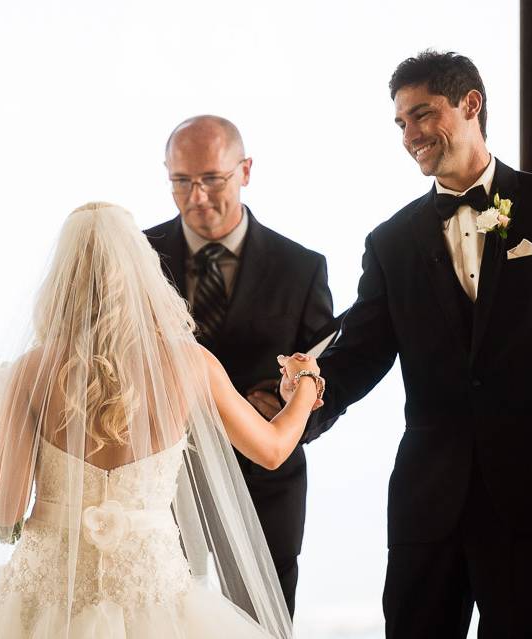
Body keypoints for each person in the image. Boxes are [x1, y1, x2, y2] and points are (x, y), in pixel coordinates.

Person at [283, 50, 532, 637]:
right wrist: (299, 402)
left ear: (470, 103)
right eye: (401, 123)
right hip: (430, 498)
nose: (411, 136)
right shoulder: (391, 241)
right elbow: (363, 352)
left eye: (423, 115)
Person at [0, 202, 324, 638]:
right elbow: (272, 451)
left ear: (62, 280)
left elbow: (4, 510)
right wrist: (306, 381)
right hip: (153, 593)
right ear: (143, 273)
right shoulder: (190, 364)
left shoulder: (33, 373)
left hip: (46, 601)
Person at [145, 115, 334, 615]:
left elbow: (326, 374)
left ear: (245, 170)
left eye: (212, 179)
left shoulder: (301, 267)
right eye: (181, 181)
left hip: (264, 489)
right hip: (156, 490)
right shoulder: (136, 258)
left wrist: (287, 406)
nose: (197, 196)